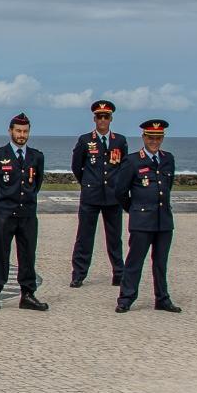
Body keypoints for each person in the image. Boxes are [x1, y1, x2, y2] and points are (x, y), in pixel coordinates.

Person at [0, 113, 49, 312]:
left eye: (25, 131)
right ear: (10, 131)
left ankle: (27, 294)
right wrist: (3, 203)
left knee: (28, 255)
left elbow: (36, 184)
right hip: (5, 213)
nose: (22, 135)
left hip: (28, 213)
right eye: (18, 131)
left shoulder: (36, 156)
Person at [114, 119, 180, 314]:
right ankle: (126, 298)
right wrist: (134, 209)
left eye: (158, 138)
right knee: (134, 261)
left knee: (161, 263)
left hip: (163, 221)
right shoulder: (133, 160)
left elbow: (167, 186)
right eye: (151, 137)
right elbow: (120, 191)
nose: (154, 141)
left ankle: (162, 298)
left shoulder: (168, 159)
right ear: (144, 137)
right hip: (142, 221)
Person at [70, 100, 128, 288]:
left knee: (114, 238)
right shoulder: (85, 140)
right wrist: (87, 183)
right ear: (94, 119)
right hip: (91, 196)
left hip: (112, 197)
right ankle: (79, 273)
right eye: (99, 117)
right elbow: (76, 166)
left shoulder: (119, 141)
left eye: (106, 117)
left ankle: (119, 273)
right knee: (84, 237)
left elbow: (123, 167)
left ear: (111, 119)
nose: (103, 120)